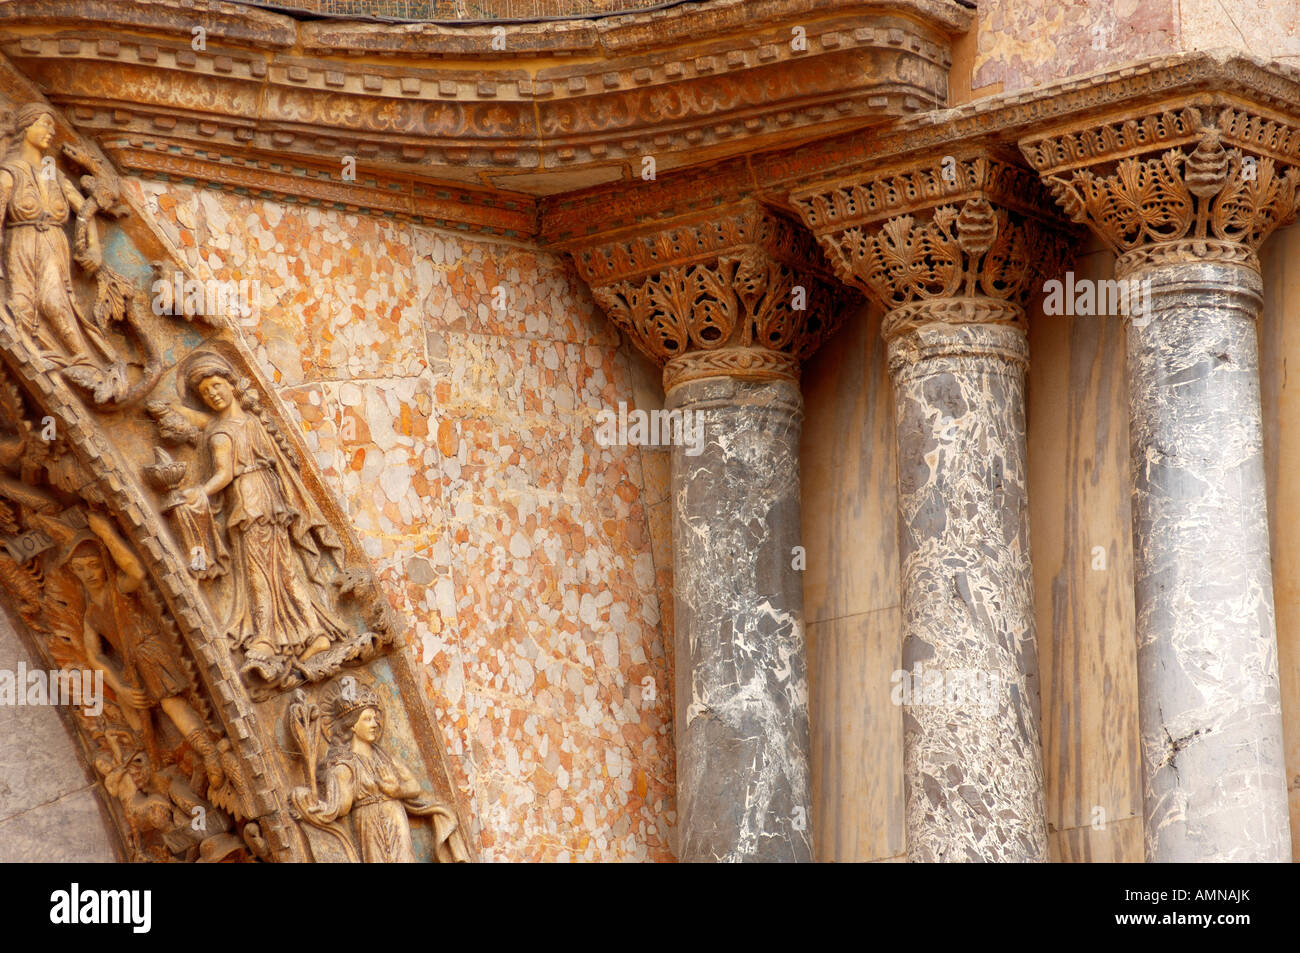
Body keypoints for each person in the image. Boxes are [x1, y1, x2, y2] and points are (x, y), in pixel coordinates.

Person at [178, 350, 347, 676]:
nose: (213, 394)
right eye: (205, 393)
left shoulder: (222, 433)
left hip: (249, 501)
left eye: (216, 386)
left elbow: (224, 475)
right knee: (282, 568)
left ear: (231, 384)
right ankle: (314, 632)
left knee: (257, 570)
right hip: (269, 498)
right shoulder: (253, 422)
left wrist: (200, 491)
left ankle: (267, 637)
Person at [61, 511, 224, 789]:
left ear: (105, 564)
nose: (87, 574)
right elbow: (94, 656)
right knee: (128, 703)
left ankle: (208, 750)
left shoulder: (118, 588)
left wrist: (107, 534)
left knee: (171, 703)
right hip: (133, 664)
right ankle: (152, 753)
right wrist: (121, 688)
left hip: (152, 650)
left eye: (93, 565)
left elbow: (136, 570)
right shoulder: (91, 614)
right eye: (79, 569)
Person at [0, 103, 119, 367]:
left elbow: (85, 210)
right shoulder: (9, 173)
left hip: (53, 244)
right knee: (20, 304)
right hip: (21, 244)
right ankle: (33, 356)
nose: (51, 131)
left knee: (54, 301)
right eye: (44, 123)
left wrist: (95, 250)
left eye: (53, 125)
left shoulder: (53, 173)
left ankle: (84, 361)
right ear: (25, 126)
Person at [291, 681, 462, 863]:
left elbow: (414, 787)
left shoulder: (385, 758)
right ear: (352, 726)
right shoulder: (345, 764)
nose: (375, 724)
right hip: (369, 822)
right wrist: (321, 807)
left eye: (375, 718)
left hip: (396, 816)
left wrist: (397, 791)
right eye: (367, 719)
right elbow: (343, 807)